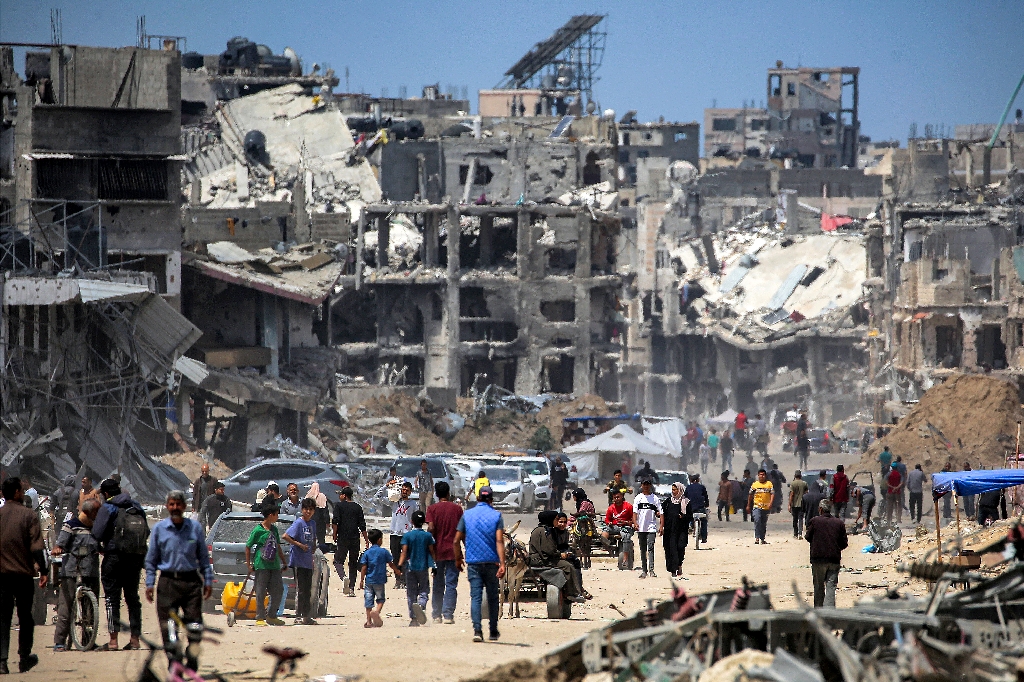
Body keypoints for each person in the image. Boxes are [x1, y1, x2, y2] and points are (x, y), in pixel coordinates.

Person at [144, 490, 214, 665]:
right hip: (167, 583)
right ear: (167, 506)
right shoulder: (159, 529)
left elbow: (204, 558)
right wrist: (150, 584)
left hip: (191, 583)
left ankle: (192, 659)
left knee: (195, 627)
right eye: (171, 504)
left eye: (178, 504)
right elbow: (151, 560)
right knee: (168, 627)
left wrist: (208, 579)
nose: (175, 507)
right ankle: (173, 663)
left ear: (184, 506)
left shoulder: (195, 528)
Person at [92, 477, 148, 651]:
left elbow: (98, 533)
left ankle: (113, 641)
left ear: (106, 493)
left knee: (111, 599)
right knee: (132, 598)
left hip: (114, 558)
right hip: (135, 558)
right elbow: (145, 530)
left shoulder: (108, 508)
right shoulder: (136, 506)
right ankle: (135, 640)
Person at [0, 478, 45, 673]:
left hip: (1, 576)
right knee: (25, 616)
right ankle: (24, 657)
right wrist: (44, 570)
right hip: (23, 575)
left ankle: (2, 661)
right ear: (17, 492)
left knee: (2, 617)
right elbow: (36, 547)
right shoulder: (29, 516)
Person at [453, 486, 506, 643]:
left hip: (473, 562)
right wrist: (502, 563)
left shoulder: (467, 515)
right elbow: (499, 540)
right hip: (491, 562)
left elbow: (456, 540)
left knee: (475, 597)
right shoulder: (496, 516)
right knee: (492, 597)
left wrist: (458, 558)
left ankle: (477, 630)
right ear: (491, 499)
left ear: (477, 499)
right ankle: (493, 630)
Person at [53, 498, 101, 652]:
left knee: (90, 611)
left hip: (91, 572)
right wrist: (58, 548)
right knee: (65, 608)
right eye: (97, 511)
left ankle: (88, 641)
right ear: (90, 512)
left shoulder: (97, 528)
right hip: (71, 571)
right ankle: (60, 642)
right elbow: (60, 544)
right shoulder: (71, 526)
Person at [245, 501, 288, 626]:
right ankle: (260, 617)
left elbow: (278, 547)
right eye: (276, 514)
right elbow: (248, 546)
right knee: (260, 591)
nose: (277, 517)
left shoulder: (274, 529)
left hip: (274, 565)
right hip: (261, 565)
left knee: (278, 590)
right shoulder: (258, 530)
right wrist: (249, 564)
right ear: (270, 515)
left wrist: (283, 562)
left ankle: (272, 616)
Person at [426, 481, 462, 624]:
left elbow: (431, 527)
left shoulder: (432, 509)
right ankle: (448, 615)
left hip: (437, 552)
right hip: (453, 551)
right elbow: (462, 531)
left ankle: (436, 614)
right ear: (448, 493)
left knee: (438, 583)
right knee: (451, 583)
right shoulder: (457, 509)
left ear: (436, 494)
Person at [528, 511, 584, 603]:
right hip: (541, 560)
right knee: (568, 566)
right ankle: (572, 593)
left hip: (539, 558)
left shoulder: (539, 529)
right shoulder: (545, 531)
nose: (557, 522)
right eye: (556, 519)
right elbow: (549, 550)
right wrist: (560, 555)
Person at [805, 500, 848, 608]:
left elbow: (808, 537)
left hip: (818, 559)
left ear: (820, 509)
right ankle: (829, 613)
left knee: (819, 587)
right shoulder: (839, 523)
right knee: (831, 587)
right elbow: (844, 543)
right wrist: (835, 548)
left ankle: (819, 611)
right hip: (834, 559)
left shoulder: (814, 521)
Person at [282, 498, 318, 625]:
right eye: (306, 509)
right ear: (302, 510)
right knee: (301, 589)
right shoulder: (298, 523)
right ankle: (298, 615)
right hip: (298, 560)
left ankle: (306, 616)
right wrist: (300, 545)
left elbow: (313, 538)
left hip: (308, 560)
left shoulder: (312, 523)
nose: (308, 511)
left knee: (308, 589)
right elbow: (285, 536)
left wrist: (313, 546)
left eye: (311, 509)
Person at [398, 510, 435, 626]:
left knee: (411, 592)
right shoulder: (427, 536)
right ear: (424, 522)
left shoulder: (407, 536)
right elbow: (432, 551)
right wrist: (434, 565)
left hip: (410, 567)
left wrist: (399, 565)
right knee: (424, 590)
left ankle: (413, 618)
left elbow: (404, 552)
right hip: (423, 567)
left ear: (412, 521)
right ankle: (421, 605)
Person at [332, 486, 369, 597]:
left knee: (338, 561)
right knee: (353, 563)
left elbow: (335, 521)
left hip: (343, 537)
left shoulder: (338, 506)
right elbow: (362, 525)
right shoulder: (358, 507)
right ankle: (352, 588)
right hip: (354, 538)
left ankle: (344, 577)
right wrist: (366, 540)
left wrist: (334, 534)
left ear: (344, 495)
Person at [359, 529, 398, 628]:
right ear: (380, 540)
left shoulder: (367, 553)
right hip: (380, 580)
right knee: (380, 599)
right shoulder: (384, 552)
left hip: (369, 580)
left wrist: (361, 580)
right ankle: (376, 612)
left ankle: (368, 621)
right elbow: (390, 563)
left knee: (368, 600)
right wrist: (396, 571)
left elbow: (364, 567)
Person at [553, 513, 591, 599]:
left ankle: (579, 587)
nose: (562, 524)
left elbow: (565, 545)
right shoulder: (553, 533)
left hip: (564, 553)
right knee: (569, 566)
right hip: (556, 555)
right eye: (560, 522)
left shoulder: (565, 533)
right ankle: (575, 590)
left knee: (576, 562)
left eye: (564, 522)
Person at [633, 480, 663, 578]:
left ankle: (651, 570)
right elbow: (634, 513)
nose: (645, 486)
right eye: (644, 484)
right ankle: (644, 570)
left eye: (647, 484)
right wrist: (635, 523)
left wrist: (661, 526)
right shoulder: (638, 498)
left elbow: (661, 513)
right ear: (641, 485)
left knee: (650, 548)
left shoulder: (654, 498)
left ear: (650, 486)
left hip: (651, 527)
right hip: (641, 528)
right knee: (642, 549)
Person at [389, 482, 417, 589]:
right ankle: (398, 580)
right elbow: (377, 498)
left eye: (407, 490)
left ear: (410, 492)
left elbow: (415, 519)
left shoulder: (413, 504)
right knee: (395, 558)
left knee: (405, 558)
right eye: (403, 489)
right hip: (394, 533)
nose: (404, 491)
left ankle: (405, 580)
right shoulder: (394, 501)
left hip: (406, 534)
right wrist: (387, 486)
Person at [662, 483, 689, 577]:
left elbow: (690, 516)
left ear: (680, 490)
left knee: (680, 548)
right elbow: (662, 511)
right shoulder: (668, 501)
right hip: (670, 530)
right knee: (671, 549)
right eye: (672, 490)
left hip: (681, 530)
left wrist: (683, 517)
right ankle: (673, 570)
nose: (673, 492)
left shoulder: (686, 502)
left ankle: (679, 565)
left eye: (675, 490)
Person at [747, 469, 774, 545]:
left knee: (763, 523)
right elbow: (750, 495)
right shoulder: (755, 485)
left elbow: (772, 494)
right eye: (760, 474)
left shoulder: (769, 484)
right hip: (757, 506)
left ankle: (762, 538)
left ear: (765, 476)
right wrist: (748, 505)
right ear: (758, 475)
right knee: (757, 520)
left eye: (763, 475)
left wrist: (771, 503)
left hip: (766, 507)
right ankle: (757, 538)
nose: (762, 476)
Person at [602, 490, 634, 554]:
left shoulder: (628, 506)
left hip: (626, 527)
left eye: (618, 497)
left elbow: (634, 519)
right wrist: (609, 523)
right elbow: (607, 520)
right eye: (615, 498)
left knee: (625, 536)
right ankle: (607, 546)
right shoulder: (611, 508)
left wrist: (626, 522)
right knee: (605, 531)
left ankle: (626, 553)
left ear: (622, 496)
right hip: (614, 527)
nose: (616, 499)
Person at [305, 483, 330, 552]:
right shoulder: (322, 496)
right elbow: (325, 510)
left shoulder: (308, 496)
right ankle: (322, 550)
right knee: (321, 536)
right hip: (320, 521)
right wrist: (327, 521)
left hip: (311, 519)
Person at [789, 471, 809, 538]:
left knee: (795, 519)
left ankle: (795, 533)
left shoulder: (793, 483)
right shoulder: (804, 483)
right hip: (802, 504)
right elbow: (806, 493)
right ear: (800, 476)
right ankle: (800, 533)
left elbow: (791, 494)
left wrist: (789, 504)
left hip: (794, 504)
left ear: (795, 476)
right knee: (800, 519)